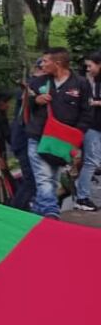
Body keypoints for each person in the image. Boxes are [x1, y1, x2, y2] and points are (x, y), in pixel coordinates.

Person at [24, 48, 92, 218]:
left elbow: (87, 113)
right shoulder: (38, 83)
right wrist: (36, 100)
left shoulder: (81, 84)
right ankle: (51, 213)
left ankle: (38, 214)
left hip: (63, 141)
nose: (42, 64)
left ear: (58, 63)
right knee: (44, 177)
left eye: (46, 61)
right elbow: (26, 107)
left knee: (53, 180)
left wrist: (77, 137)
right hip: (38, 138)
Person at [72, 53, 101, 211]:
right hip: (92, 126)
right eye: (87, 66)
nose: (88, 69)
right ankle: (82, 197)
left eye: (91, 66)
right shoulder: (88, 80)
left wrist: (95, 102)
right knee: (91, 161)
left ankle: (80, 191)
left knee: (93, 161)